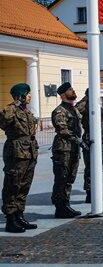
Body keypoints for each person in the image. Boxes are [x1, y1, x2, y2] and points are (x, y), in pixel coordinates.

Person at [0, 84, 39, 233]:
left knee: (24, 185)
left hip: (29, 152)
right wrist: (16, 102)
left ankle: (19, 215)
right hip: (16, 152)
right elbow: (3, 119)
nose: (30, 96)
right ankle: (10, 219)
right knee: (13, 185)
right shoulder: (11, 109)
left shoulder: (26, 111)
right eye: (27, 94)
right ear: (21, 95)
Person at [51, 82, 83, 218]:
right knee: (61, 178)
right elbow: (62, 130)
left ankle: (66, 204)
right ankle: (59, 207)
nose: (73, 91)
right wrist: (78, 140)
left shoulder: (73, 109)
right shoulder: (60, 111)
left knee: (70, 178)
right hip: (63, 149)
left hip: (73, 149)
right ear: (63, 94)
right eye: (70, 90)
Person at [75, 88, 103, 204]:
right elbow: (75, 115)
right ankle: (90, 194)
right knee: (91, 167)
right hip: (90, 138)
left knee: (98, 166)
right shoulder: (84, 103)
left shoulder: (95, 101)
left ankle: (96, 192)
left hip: (99, 138)